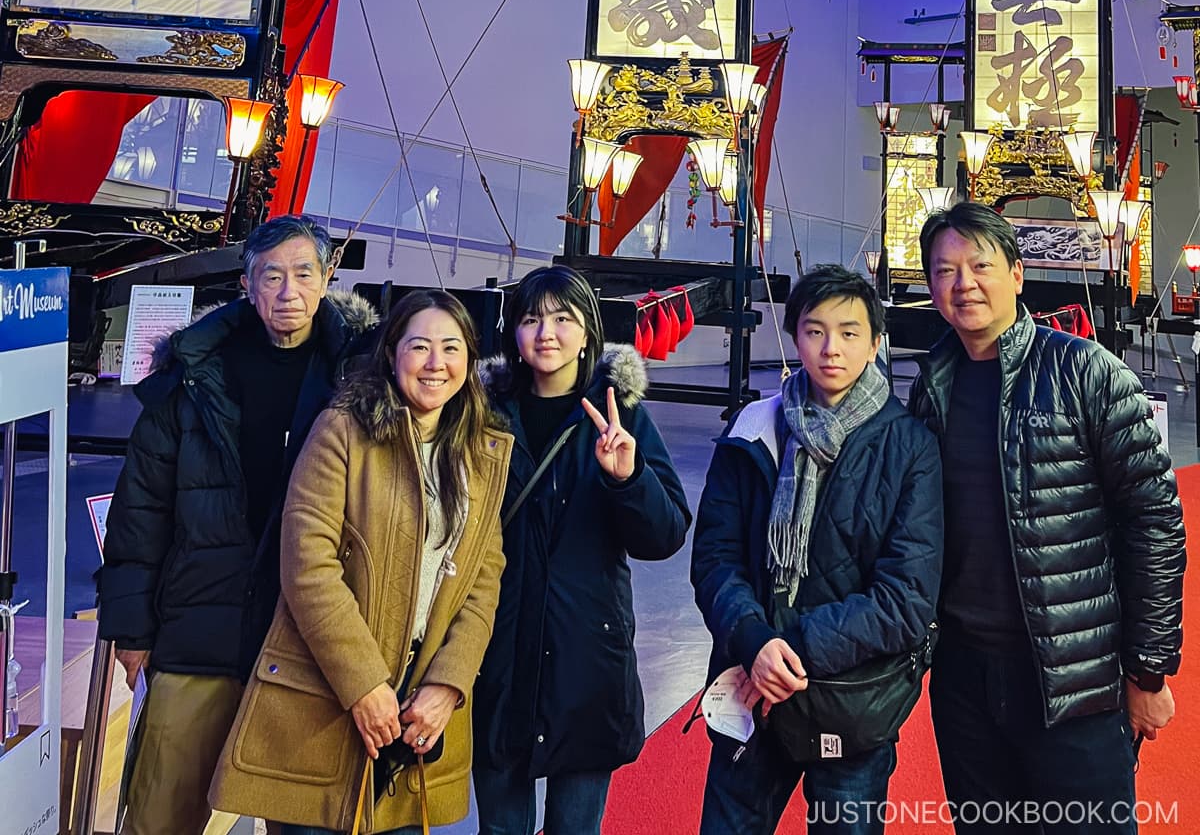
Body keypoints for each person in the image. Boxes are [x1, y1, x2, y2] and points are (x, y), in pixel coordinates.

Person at [909, 201, 1186, 831]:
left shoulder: (1086, 372)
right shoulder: (933, 385)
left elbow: (1155, 525)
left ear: (1017, 272)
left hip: (1074, 675)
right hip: (965, 677)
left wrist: (1147, 668)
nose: (964, 284)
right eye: (945, 271)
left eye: (980, 265)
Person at [98, 214, 377, 835]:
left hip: (305, 640)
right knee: (160, 814)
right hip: (198, 626)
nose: (288, 291)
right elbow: (140, 510)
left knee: (304, 823)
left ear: (328, 278)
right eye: (271, 275)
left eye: (304, 273)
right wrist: (131, 629)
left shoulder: (360, 380)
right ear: (247, 286)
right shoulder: (191, 378)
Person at [210, 288, 513, 834]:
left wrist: (448, 684)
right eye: (419, 346)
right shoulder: (344, 432)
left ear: (470, 360)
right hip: (324, 701)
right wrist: (365, 685)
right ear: (393, 353)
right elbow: (308, 565)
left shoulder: (480, 454)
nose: (435, 363)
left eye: (451, 348)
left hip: (416, 711)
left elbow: (482, 580)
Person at [692, 263, 942, 835]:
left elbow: (906, 598)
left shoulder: (909, 447)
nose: (832, 348)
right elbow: (715, 557)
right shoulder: (755, 427)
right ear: (794, 335)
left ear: (876, 342)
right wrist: (754, 642)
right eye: (815, 330)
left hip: (854, 701)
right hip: (751, 691)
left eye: (850, 332)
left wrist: (790, 648)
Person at [472, 264, 690, 835]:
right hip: (497, 647)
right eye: (531, 319)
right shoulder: (481, 415)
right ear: (512, 332)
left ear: (588, 330)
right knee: (500, 824)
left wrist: (628, 476)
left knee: (577, 825)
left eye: (562, 318)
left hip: (587, 654)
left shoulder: (620, 414)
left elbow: (664, 535)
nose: (546, 333)